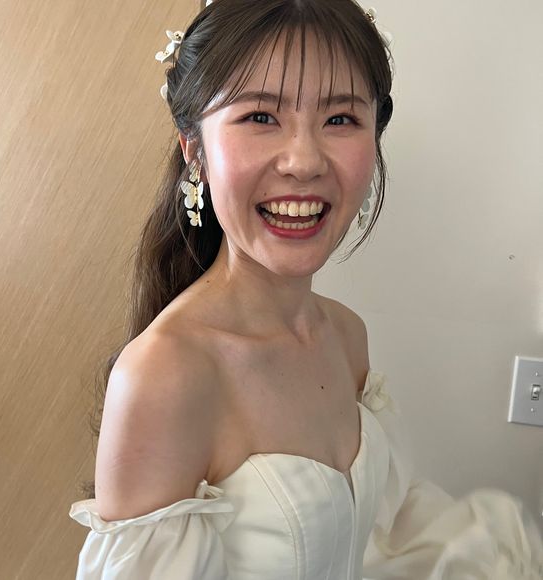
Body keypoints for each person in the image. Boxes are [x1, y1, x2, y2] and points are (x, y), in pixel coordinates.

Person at [68, 0, 543, 578]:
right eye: (260, 116)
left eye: (340, 119)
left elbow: (380, 533)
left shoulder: (346, 335)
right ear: (195, 150)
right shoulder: (165, 376)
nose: (303, 161)